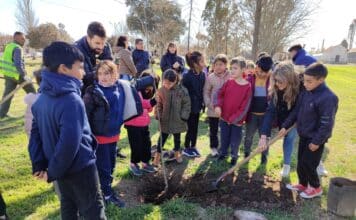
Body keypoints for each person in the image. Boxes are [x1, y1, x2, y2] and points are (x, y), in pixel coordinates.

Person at [28, 41, 106, 219]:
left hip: (60, 171)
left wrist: (39, 164)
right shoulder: (72, 100)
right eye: (80, 67)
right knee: (93, 210)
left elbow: (35, 134)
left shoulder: (41, 98)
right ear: (64, 69)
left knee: (68, 207)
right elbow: (69, 143)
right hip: (81, 170)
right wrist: (52, 172)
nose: (84, 72)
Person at [83, 60, 142, 207]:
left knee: (112, 163)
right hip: (100, 137)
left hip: (114, 135)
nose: (103, 77)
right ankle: (107, 194)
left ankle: (106, 187)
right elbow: (85, 116)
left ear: (115, 74)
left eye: (107, 73)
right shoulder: (92, 91)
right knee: (104, 166)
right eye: (100, 73)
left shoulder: (120, 87)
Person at [277, 63, 338, 199]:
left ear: (321, 80)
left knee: (309, 164)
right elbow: (296, 112)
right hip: (304, 134)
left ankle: (316, 187)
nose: (305, 84)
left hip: (315, 138)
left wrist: (317, 141)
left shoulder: (328, 98)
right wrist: (285, 126)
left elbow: (326, 124)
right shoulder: (306, 93)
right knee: (301, 162)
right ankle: (303, 184)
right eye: (304, 80)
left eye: (309, 81)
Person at [258, 61, 300, 177]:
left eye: (280, 81)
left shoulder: (300, 87)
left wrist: (286, 126)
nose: (277, 83)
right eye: (275, 80)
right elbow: (270, 111)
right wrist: (263, 136)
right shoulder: (276, 88)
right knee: (286, 135)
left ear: (289, 79)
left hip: (296, 117)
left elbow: (296, 110)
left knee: (290, 137)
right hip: (282, 115)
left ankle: (286, 165)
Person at [214, 57, 252, 166]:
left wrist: (234, 119)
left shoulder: (247, 87)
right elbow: (219, 94)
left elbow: (245, 107)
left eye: (235, 68)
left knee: (235, 140)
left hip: (237, 121)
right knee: (224, 137)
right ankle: (223, 153)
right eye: (231, 68)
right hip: (224, 118)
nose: (232, 70)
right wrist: (217, 106)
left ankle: (234, 156)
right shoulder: (229, 82)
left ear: (243, 69)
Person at [153, 69, 191, 166]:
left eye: (169, 83)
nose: (167, 85)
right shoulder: (161, 91)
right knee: (162, 139)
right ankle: (157, 156)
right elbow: (158, 104)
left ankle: (177, 153)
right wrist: (158, 114)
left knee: (177, 138)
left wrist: (183, 116)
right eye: (165, 83)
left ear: (175, 81)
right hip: (165, 119)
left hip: (177, 119)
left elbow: (186, 104)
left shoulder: (182, 91)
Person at [124, 71, 158, 176]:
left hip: (144, 124)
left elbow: (148, 110)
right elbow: (142, 104)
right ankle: (134, 164)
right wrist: (153, 102)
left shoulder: (146, 94)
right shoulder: (136, 91)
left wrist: (152, 103)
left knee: (146, 144)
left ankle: (145, 163)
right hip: (133, 125)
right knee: (136, 146)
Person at [243, 54, 273, 164]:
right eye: (258, 71)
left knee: (265, 138)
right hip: (252, 115)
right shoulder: (250, 79)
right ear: (256, 67)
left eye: (264, 73)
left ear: (269, 71)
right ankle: (246, 153)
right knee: (248, 136)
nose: (260, 74)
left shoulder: (272, 81)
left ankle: (264, 158)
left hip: (265, 116)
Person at [0, 32, 36, 118]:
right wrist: (24, 76)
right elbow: (18, 64)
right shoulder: (17, 48)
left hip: (9, 75)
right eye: (22, 39)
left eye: (24, 39)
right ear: (16, 38)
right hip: (18, 76)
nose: (24, 41)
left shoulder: (9, 46)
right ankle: (39, 111)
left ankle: (1, 114)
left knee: (7, 95)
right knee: (33, 93)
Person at [203, 54, 230, 157]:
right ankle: (213, 147)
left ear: (225, 65)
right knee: (213, 130)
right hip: (213, 109)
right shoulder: (210, 77)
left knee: (225, 130)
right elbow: (206, 92)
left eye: (221, 64)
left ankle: (224, 148)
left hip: (226, 109)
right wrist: (210, 104)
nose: (218, 67)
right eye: (216, 64)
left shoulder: (230, 76)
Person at [75, 21, 113, 94]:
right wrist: (102, 71)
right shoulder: (77, 50)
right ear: (88, 38)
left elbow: (110, 68)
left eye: (103, 43)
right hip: (85, 92)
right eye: (97, 43)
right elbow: (84, 78)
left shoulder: (106, 46)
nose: (101, 47)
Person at [182, 51, 206, 158]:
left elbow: (202, 90)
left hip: (197, 106)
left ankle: (193, 146)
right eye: (201, 61)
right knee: (190, 127)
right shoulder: (187, 76)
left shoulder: (203, 75)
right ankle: (186, 147)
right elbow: (181, 91)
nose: (204, 63)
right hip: (189, 107)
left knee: (195, 127)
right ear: (195, 64)